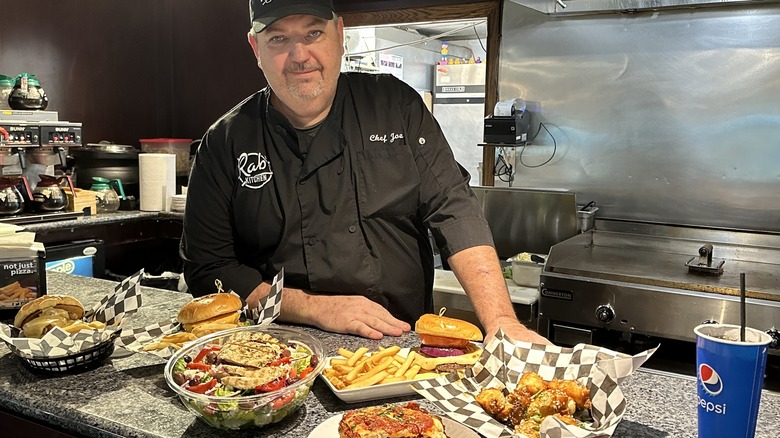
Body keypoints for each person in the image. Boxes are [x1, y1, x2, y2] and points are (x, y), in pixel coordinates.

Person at [180, 0, 551, 345]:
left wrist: (502, 320)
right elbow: (208, 269)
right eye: (278, 38)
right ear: (255, 49)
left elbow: (454, 210)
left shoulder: (396, 106)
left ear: (340, 35)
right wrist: (312, 307)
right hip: (279, 351)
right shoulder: (225, 141)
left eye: (313, 33)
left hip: (400, 345)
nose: (299, 56)